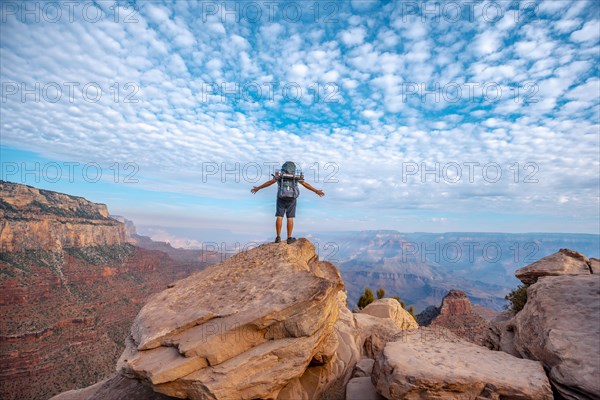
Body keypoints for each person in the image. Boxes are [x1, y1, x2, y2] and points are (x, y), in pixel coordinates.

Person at [251, 161, 324, 244]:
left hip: (281, 198)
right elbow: (305, 184)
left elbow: (269, 182)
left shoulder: (280, 175)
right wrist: (316, 191)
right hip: (292, 198)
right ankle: (289, 238)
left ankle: (278, 237)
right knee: (290, 218)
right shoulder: (295, 176)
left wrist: (258, 188)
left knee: (279, 216)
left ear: (283, 168)